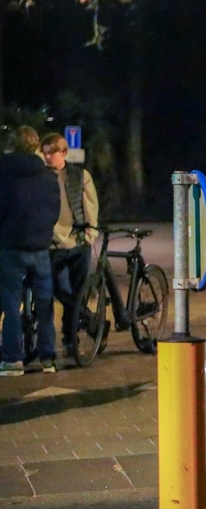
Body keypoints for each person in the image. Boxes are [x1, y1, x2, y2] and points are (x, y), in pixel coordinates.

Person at [0, 126, 61, 375]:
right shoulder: (48, 176)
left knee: (11, 304)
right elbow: (54, 210)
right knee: (45, 304)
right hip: (40, 248)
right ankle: (48, 359)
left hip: (11, 248)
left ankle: (13, 359)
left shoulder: (5, 173)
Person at [41, 133, 99, 357]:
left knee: (77, 290)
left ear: (63, 153)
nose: (47, 157)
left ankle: (70, 336)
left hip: (77, 242)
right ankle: (80, 321)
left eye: (51, 152)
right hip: (54, 244)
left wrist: (90, 232)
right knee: (63, 291)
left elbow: (90, 205)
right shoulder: (42, 177)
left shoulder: (79, 175)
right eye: (44, 152)